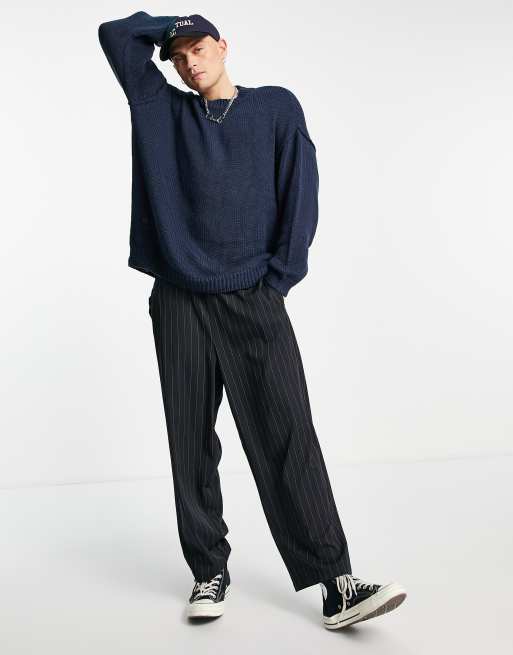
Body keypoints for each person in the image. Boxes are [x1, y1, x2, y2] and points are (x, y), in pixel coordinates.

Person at [97, 11, 407, 629]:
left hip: (253, 297)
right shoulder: (163, 111)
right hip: (180, 300)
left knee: (288, 433)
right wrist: (169, 29)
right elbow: (115, 35)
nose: (189, 62)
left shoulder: (274, 108)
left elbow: (301, 191)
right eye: (178, 56)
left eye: (199, 48)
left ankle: (336, 584)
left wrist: (278, 282)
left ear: (224, 46)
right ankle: (208, 571)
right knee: (190, 440)